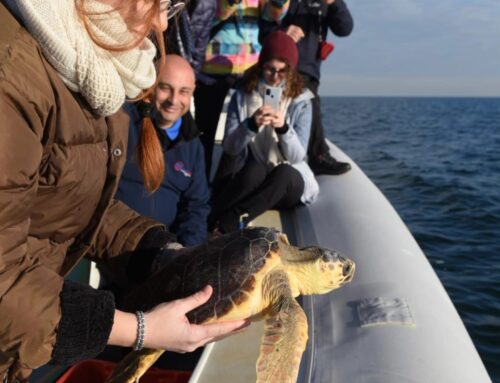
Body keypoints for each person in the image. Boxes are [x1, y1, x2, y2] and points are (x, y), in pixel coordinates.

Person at [0, 1, 247, 381]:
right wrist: (140, 329)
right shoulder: (13, 73)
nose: (164, 22)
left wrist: (166, 255)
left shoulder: (101, 70)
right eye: (161, 3)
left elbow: (77, 200)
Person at [209, 31, 319, 233]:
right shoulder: (243, 95)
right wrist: (250, 125)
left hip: (287, 182)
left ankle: (232, 218)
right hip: (258, 177)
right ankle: (209, 218)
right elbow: (230, 147)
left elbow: (298, 157)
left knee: (284, 174)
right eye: (269, 70)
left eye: (282, 71)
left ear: (291, 70)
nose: (275, 77)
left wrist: (284, 128)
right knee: (254, 170)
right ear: (261, 66)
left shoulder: (302, 101)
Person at [117, 55, 210, 247]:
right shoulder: (124, 123)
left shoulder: (192, 144)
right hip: (115, 239)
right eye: (165, 88)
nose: (173, 100)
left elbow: (196, 206)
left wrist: (186, 253)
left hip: (164, 249)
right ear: (151, 86)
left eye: (183, 92)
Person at [192, 0, 291, 179]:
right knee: (205, 132)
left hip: (249, 68)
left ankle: (228, 186)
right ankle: (200, 185)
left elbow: (272, 16)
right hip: (213, 69)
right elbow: (211, 16)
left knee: (246, 130)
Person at [260, 0, 354, 175]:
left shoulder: (325, 3)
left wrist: (334, 3)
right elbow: (263, 31)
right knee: (271, 115)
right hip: (278, 69)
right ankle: (314, 156)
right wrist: (283, 33)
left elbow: (345, 28)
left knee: (308, 106)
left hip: (309, 70)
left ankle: (309, 158)